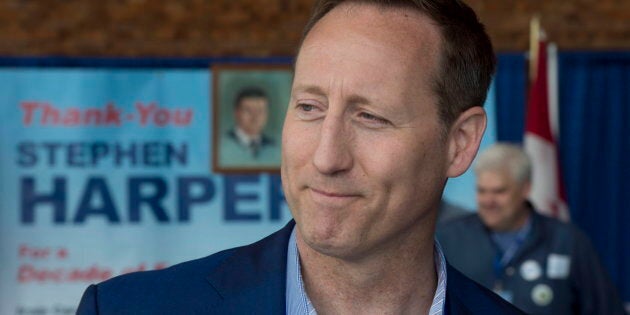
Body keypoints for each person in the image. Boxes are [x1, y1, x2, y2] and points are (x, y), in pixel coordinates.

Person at [77, 0, 524, 314]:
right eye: (309, 107)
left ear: (460, 143)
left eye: (369, 116)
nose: (326, 158)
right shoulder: (126, 310)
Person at [437, 143, 626, 315]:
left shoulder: (566, 241)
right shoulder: (447, 238)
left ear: (525, 189)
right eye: (482, 191)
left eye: (499, 191)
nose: (488, 201)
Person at [219, 86, 280, 167]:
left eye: (260, 110)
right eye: (248, 110)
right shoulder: (223, 145)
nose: (255, 116)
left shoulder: (274, 147)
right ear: (236, 113)